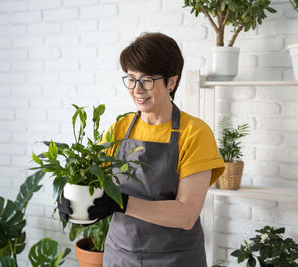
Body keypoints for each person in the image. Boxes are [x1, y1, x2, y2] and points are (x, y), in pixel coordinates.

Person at [58, 32, 225, 267]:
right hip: (120, 255)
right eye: (131, 78)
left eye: (147, 79)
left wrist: (121, 203)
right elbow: (90, 183)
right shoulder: (119, 129)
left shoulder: (195, 133)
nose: (137, 89)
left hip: (175, 259)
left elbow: (187, 215)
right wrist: (71, 200)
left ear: (172, 82)